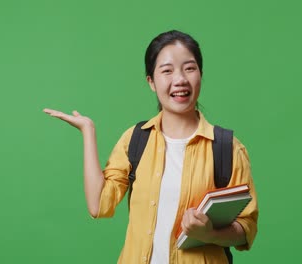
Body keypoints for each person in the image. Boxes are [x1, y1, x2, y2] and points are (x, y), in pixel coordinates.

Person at [43, 30, 258, 264]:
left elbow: (246, 227)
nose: (180, 80)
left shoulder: (227, 148)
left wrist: (210, 234)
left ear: (200, 75)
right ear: (151, 82)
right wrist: (88, 132)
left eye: (189, 68)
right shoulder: (136, 139)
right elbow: (99, 204)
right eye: (167, 70)